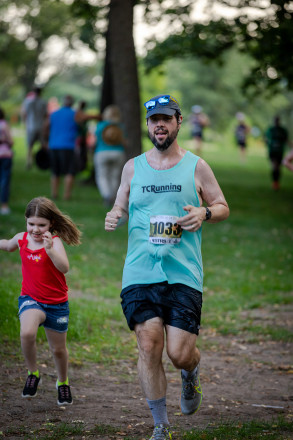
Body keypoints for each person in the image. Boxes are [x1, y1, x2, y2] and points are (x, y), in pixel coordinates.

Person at [105, 94, 230, 440]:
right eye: (153, 120)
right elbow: (120, 203)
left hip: (183, 273)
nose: (159, 125)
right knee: (148, 344)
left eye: (165, 119)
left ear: (177, 123)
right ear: (148, 126)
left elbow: (221, 206)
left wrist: (205, 212)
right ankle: (161, 426)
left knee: (178, 353)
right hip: (140, 270)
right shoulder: (133, 167)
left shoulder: (197, 166)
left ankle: (191, 373)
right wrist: (115, 214)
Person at [0, 197, 81, 405]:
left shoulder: (55, 242)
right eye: (31, 224)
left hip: (56, 304)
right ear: (26, 221)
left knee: (58, 350)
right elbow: (8, 245)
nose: (35, 229)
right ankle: (33, 373)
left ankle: (62, 382)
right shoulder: (21, 239)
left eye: (41, 225)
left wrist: (50, 250)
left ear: (51, 224)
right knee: (26, 333)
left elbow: (64, 267)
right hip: (31, 299)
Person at [47, 95, 79, 200]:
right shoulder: (75, 114)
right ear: (72, 103)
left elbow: (45, 126)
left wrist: (45, 140)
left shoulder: (54, 114)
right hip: (68, 146)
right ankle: (67, 195)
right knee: (69, 171)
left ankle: (54, 194)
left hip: (54, 145)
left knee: (55, 171)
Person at [94, 105, 126, 206]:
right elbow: (124, 140)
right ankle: (113, 196)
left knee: (102, 175)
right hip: (118, 153)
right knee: (115, 176)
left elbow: (96, 139)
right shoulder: (120, 126)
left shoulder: (100, 126)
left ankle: (106, 195)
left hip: (101, 152)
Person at [22, 87, 47, 169]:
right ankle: (43, 161)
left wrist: (24, 123)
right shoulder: (43, 102)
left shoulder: (28, 102)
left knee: (30, 146)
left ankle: (29, 162)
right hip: (40, 126)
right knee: (43, 145)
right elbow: (45, 115)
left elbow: (24, 114)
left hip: (31, 126)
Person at [265, 115, 289, 190]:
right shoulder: (271, 130)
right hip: (272, 151)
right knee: (274, 166)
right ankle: (275, 182)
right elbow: (266, 138)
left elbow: (286, 140)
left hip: (280, 152)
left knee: (278, 168)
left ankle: (276, 182)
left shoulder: (283, 130)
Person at [0, 107, 13, 215]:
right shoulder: (4, 124)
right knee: (4, 181)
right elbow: (11, 141)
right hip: (5, 155)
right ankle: (4, 206)